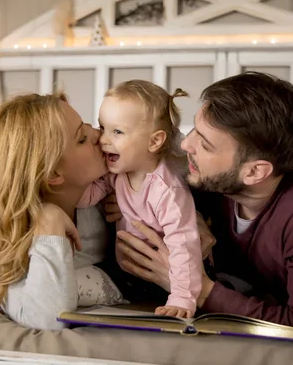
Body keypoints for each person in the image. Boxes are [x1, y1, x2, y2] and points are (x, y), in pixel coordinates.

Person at [109, 72, 293, 333]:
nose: (186, 144)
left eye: (206, 144)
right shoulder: (201, 183)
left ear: (254, 172)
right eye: (194, 130)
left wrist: (201, 290)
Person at [0, 92, 110, 330]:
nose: (98, 133)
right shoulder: (14, 237)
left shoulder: (109, 183)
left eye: (87, 126)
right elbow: (47, 319)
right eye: (82, 138)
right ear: (53, 174)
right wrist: (50, 223)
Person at [77, 80, 203, 318]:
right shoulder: (117, 172)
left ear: (154, 141)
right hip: (131, 270)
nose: (103, 140)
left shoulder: (167, 191)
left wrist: (182, 297)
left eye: (117, 132)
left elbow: (184, 245)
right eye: (102, 127)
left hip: (171, 274)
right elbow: (87, 196)